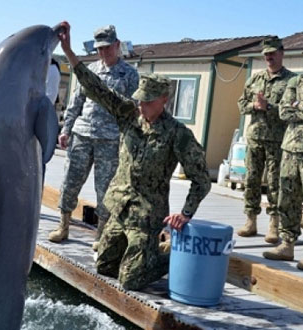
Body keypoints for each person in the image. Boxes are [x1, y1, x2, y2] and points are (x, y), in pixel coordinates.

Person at [58, 22, 211, 290]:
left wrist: (186, 213)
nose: (141, 105)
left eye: (148, 101)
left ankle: (170, 255)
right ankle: (141, 254)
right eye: (139, 99)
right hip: (120, 208)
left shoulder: (178, 134)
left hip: (147, 216)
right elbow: (97, 88)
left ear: (164, 99)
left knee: (130, 279)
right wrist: (69, 52)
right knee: (104, 265)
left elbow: (202, 179)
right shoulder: (129, 115)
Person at [48, 24, 139, 251]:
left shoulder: (129, 74)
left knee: (105, 189)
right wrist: (66, 129)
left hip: (110, 139)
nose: (103, 53)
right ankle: (63, 225)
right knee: (70, 181)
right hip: (82, 134)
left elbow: (134, 110)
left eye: (108, 48)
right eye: (99, 49)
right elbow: (76, 102)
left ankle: (102, 234)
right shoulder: (89, 70)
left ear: (117, 45)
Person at [237, 36, 295, 243]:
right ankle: (250, 221)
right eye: (266, 54)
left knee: (275, 184)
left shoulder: (292, 81)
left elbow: (293, 111)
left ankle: (274, 225)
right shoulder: (255, 79)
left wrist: (269, 107)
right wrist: (254, 106)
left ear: (281, 53)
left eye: (272, 53)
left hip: (277, 141)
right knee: (251, 180)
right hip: (254, 137)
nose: (269, 57)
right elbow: (241, 103)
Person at [263, 74, 303, 271]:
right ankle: (287, 244)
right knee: (287, 197)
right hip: (290, 148)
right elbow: (284, 111)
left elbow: (292, 109)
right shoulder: (296, 82)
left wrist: (298, 107)